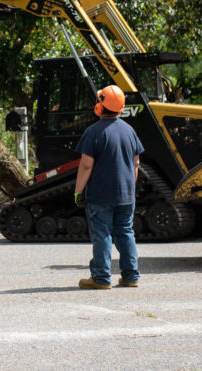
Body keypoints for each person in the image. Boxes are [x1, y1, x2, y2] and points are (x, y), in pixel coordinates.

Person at [73, 84, 143, 289]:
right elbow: (136, 163)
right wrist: (130, 187)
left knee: (102, 233)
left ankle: (101, 278)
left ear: (100, 107)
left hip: (100, 194)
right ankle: (131, 276)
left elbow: (86, 165)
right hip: (126, 194)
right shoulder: (130, 131)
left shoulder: (93, 132)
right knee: (125, 231)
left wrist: (78, 191)